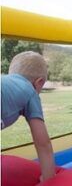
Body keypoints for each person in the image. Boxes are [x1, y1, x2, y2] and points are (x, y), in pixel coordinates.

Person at [1, 51, 56, 182]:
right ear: (39, 82)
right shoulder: (30, 92)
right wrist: (48, 179)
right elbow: (43, 144)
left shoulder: (5, 82)